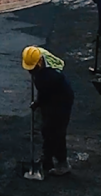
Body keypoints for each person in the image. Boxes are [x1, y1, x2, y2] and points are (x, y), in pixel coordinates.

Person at [22, 45, 74, 176]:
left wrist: (38, 103)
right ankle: (48, 158)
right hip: (53, 94)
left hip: (62, 100)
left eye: (32, 69)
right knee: (47, 129)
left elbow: (45, 95)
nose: (30, 71)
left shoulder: (46, 77)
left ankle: (62, 163)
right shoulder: (37, 53)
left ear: (39, 62)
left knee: (56, 131)